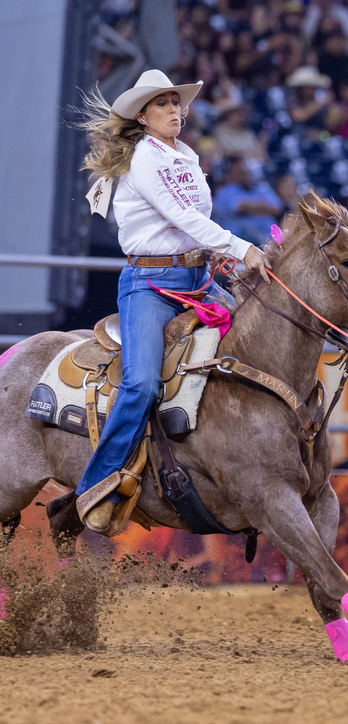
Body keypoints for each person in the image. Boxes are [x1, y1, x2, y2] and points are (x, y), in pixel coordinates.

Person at [74, 70, 268, 532]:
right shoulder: (143, 157)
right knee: (140, 383)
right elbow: (180, 214)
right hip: (149, 282)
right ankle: (96, 484)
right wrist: (242, 249)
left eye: (177, 103)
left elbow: (194, 220)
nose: (175, 111)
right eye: (163, 104)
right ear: (142, 116)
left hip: (196, 276)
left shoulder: (185, 155)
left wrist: (215, 258)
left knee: (259, 340)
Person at [213, 156, 284, 244]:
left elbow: (277, 209)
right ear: (229, 175)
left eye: (245, 171)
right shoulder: (226, 191)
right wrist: (263, 208)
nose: (244, 175)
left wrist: (250, 208)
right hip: (244, 241)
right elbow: (240, 207)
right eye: (239, 173)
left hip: (272, 239)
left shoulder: (262, 188)